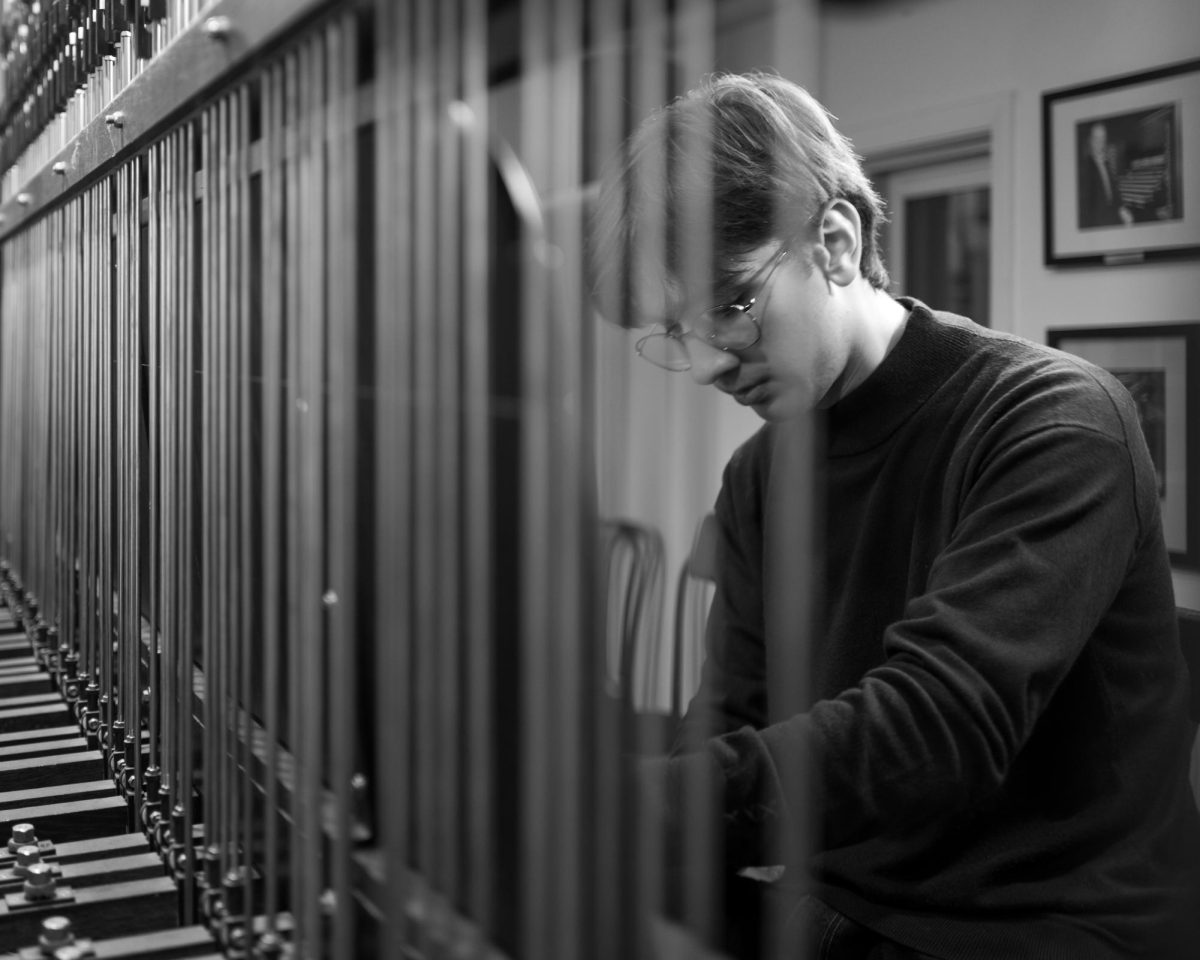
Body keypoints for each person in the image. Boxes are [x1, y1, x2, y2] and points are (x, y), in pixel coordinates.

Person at [589, 71, 1200, 959]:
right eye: (676, 334)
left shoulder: (1057, 421)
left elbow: (937, 728)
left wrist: (623, 807)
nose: (711, 366)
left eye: (730, 308)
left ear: (835, 243)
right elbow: (728, 715)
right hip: (841, 900)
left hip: (1048, 921)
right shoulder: (760, 474)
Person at [1078, 121, 1133, 228]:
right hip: (1098, 223)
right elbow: (1086, 208)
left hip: (1112, 217)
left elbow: (1113, 190)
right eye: (1096, 138)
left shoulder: (1106, 163)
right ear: (1090, 140)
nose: (1100, 142)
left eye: (1102, 138)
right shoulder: (1084, 167)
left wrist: (1122, 209)